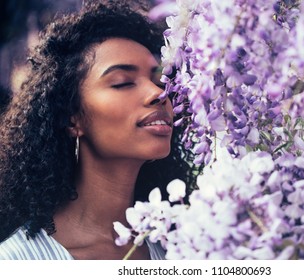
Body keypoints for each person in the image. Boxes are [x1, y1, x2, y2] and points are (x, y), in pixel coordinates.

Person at [0, 0, 199, 260]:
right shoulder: (17, 261)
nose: (159, 93)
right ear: (72, 119)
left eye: (156, 78)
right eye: (123, 83)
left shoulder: (183, 247)